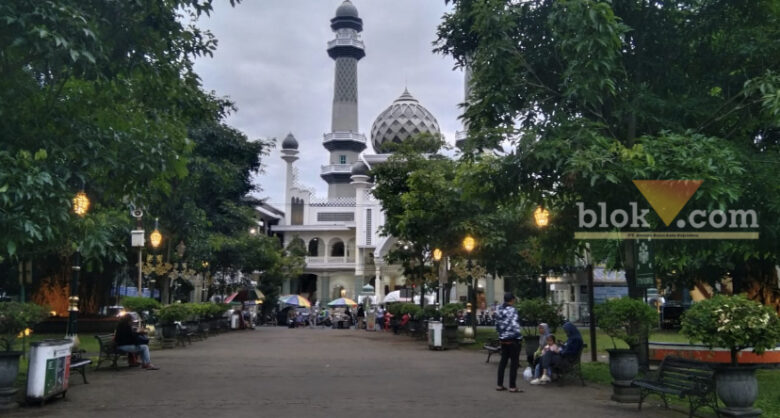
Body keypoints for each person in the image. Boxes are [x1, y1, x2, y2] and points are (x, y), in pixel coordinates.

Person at [495, 292, 522, 392]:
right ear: (512, 300)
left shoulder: (499, 309)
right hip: (513, 339)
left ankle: (499, 384)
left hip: (503, 339)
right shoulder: (513, 310)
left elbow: (497, 324)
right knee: (514, 363)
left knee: (503, 362)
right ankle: (512, 386)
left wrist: (501, 335)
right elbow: (515, 325)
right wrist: (518, 337)